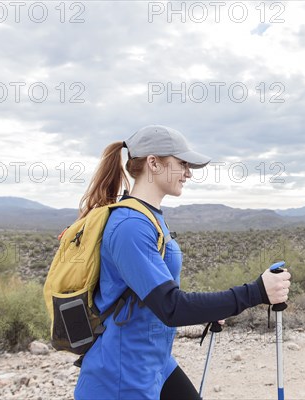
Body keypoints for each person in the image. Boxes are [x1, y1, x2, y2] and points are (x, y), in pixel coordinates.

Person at [74, 125, 291, 400]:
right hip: (122, 377)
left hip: (155, 363)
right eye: (182, 163)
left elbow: (159, 297)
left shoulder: (150, 218)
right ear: (153, 163)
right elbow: (171, 307)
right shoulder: (130, 226)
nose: (188, 172)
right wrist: (256, 292)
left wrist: (211, 308)